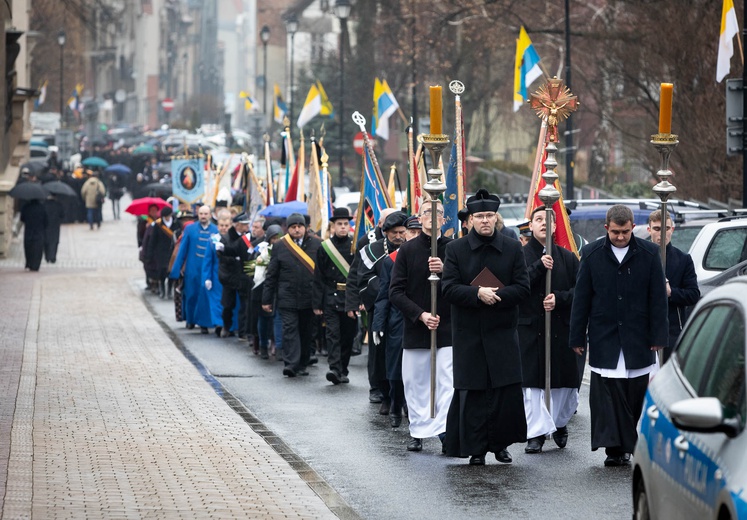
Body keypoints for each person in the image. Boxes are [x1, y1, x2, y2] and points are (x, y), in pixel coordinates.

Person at [569, 204, 668, 467]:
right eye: (615, 232)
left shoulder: (649, 253)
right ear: (606, 228)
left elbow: (658, 299)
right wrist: (577, 336)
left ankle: (625, 444)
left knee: (634, 396)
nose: (621, 237)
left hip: (639, 337)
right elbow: (582, 299)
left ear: (633, 228)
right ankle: (616, 448)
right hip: (605, 336)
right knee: (609, 397)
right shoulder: (590, 254)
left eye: (625, 232)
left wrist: (659, 335)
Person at [441, 189, 531, 466]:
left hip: (502, 331)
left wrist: (498, 296)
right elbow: (448, 288)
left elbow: (523, 288)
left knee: (504, 391)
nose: (485, 221)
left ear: (496, 217)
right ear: (469, 220)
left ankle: (500, 446)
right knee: (474, 392)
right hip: (469, 333)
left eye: (489, 215)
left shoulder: (513, 247)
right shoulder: (454, 249)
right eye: (479, 216)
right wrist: (476, 293)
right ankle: (476, 448)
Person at [389, 202, 454, 452]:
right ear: (420, 217)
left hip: (447, 328)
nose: (432, 217)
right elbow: (395, 292)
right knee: (415, 381)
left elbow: (462, 285)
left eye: (437, 212)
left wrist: (445, 270)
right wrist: (420, 315)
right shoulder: (407, 250)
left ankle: (444, 429)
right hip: (417, 327)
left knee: (446, 382)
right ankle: (417, 429)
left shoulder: (454, 248)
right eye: (427, 212)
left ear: (444, 219)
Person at [518, 206, 580, 454]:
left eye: (549, 220)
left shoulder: (568, 258)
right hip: (531, 329)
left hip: (560, 328)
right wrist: (538, 267)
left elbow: (582, 291)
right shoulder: (520, 255)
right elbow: (516, 287)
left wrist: (560, 299)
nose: (544, 223)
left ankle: (559, 423)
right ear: (531, 226)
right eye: (539, 219)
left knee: (564, 386)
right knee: (533, 385)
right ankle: (535, 433)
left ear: (556, 227)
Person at [355, 211, 408, 414]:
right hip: (380, 308)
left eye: (402, 232)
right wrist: (390, 291)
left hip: (406, 309)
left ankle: (403, 398)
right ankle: (382, 392)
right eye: (394, 232)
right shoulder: (372, 250)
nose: (398, 236)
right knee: (380, 355)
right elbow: (364, 279)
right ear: (385, 232)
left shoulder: (412, 248)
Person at [346, 207, 398, 404]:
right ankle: (376, 386)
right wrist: (354, 302)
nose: (399, 234)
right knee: (377, 348)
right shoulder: (367, 244)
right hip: (377, 303)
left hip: (402, 306)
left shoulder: (408, 243)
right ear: (381, 225)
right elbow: (357, 276)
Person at [262, 213, 322, 377]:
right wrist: (267, 299)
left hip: (309, 297)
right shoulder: (281, 246)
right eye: (293, 227)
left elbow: (322, 274)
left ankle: (302, 363)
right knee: (289, 329)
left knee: (305, 331)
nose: (297, 230)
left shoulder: (317, 244)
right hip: (287, 296)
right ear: (287, 229)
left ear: (305, 227)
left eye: (299, 226)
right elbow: (272, 274)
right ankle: (290, 364)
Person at [647, 210, 700, 362]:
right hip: (644, 330)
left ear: (672, 230)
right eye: (657, 229)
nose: (662, 234)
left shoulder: (683, 259)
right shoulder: (640, 256)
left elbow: (693, 294)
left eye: (666, 229)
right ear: (649, 230)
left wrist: (671, 293)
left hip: (672, 331)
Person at [314, 207, 357, 385]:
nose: (342, 227)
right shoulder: (325, 247)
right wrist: (317, 303)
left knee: (348, 336)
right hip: (331, 297)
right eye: (339, 224)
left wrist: (358, 301)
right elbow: (319, 276)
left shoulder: (355, 246)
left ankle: (343, 369)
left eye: (346, 224)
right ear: (333, 226)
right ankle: (334, 368)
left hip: (349, 298)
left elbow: (359, 275)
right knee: (333, 335)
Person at [169, 205, 219, 334]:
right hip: (192, 268)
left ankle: (204, 323)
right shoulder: (190, 230)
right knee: (191, 294)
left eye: (205, 214)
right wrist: (176, 270)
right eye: (201, 213)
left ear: (210, 215)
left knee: (205, 295)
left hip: (208, 269)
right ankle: (190, 319)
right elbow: (182, 251)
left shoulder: (215, 230)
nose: (203, 216)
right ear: (198, 214)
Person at [216, 212, 253, 341]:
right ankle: (226, 326)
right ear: (238, 225)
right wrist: (235, 259)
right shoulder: (226, 238)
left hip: (243, 277)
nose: (247, 227)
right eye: (244, 224)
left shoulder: (248, 238)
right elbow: (221, 256)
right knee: (228, 304)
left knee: (245, 305)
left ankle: (242, 331)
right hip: (229, 276)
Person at [201, 210, 234, 337]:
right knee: (216, 302)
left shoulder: (234, 239)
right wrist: (206, 278)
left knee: (229, 303)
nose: (224, 228)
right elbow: (207, 261)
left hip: (231, 276)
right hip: (216, 277)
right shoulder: (212, 240)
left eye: (226, 226)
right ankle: (219, 324)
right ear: (218, 225)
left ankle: (229, 325)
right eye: (221, 225)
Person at [253, 224, 283, 358]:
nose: (275, 241)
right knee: (264, 320)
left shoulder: (284, 249)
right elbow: (254, 267)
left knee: (278, 319)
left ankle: (279, 348)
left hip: (279, 289)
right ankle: (263, 345)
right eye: (273, 238)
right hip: (263, 289)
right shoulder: (261, 250)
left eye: (278, 238)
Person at [143, 206, 180, 299]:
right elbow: (153, 240)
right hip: (160, 252)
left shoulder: (176, 224)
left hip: (172, 252)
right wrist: (149, 254)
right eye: (165, 216)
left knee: (171, 271)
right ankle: (162, 289)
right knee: (161, 272)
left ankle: (169, 290)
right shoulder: (158, 224)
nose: (166, 218)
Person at [20, 199, 47, 271]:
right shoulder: (42, 208)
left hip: (29, 231)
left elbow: (22, 218)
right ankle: (36, 264)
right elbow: (46, 220)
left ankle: (29, 263)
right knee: (38, 249)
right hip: (39, 231)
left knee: (28, 248)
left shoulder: (26, 207)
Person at [44, 194, 65, 263]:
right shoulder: (58, 205)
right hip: (55, 225)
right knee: (54, 241)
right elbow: (62, 215)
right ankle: (53, 257)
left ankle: (47, 256)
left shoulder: (44, 204)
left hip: (46, 225)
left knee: (46, 241)